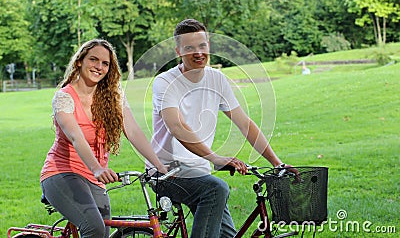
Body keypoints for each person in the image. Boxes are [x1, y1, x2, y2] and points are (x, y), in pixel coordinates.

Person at [147, 18, 296, 238]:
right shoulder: (165, 82)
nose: (198, 53)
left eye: (202, 46)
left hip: (200, 172)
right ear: (178, 51)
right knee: (216, 189)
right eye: (189, 48)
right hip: (166, 172)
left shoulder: (217, 79)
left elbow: (245, 124)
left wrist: (277, 163)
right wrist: (215, 158)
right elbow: (177, 126)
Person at [40, 39, 168, 238]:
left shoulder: (112, 95)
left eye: (105, 63)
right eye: (93, 59)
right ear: (79, 62)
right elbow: (76, 137)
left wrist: (159, 165)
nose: (99, 67)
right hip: (62, 173)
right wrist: (97, 168)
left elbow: (133, 131)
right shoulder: (64, 98)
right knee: (95, 229)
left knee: (102, 232)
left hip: (94, 179)